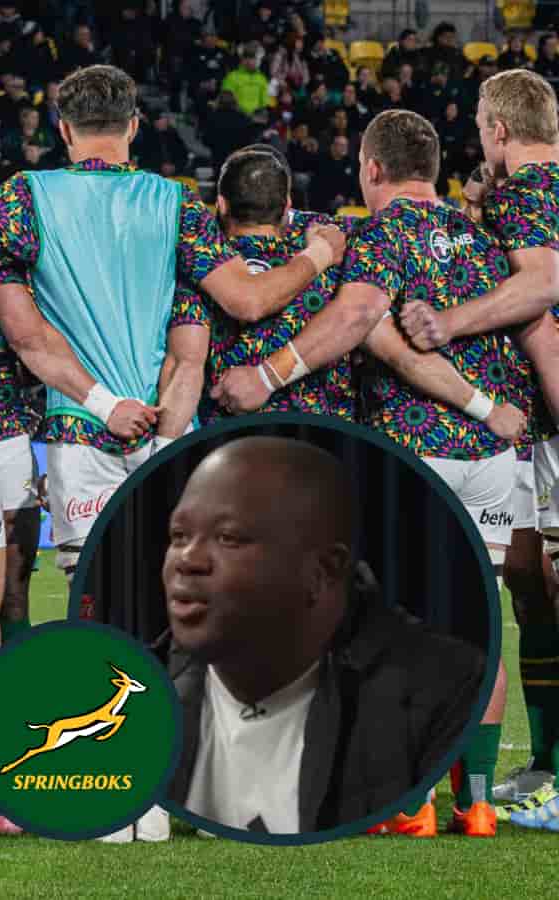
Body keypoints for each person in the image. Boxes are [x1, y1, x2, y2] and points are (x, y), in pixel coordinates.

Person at [0, 65, 344, 586]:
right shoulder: (176, 203)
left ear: (63, 129)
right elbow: (248, 301)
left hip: (81, 432)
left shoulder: (27, 197)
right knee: (168, 600)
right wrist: (320, 254)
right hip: (165, 428)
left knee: (96, 598)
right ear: (134, 126)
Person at [210, 110, 529, 838]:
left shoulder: (383, 234)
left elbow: (359, 320)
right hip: (491, 457)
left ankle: (410, 804)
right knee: (479, 625)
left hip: (418, 449)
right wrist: (489, 408)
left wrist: (267, 374)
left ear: (372, 169)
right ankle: (476, 803)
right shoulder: (481, 237)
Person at [163, 436, 484, 834]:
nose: (187, 560)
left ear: (323, 570)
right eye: (178, 536)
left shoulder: (431, 684)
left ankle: (429, 806)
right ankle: (461, 806)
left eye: (229, 537)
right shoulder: (145, 690)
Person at [394, 70, 559, 824]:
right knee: (528, 582)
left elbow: (539, 287)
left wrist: (449, 323)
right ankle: (543, 764)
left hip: (545, 418)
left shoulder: (526, 190)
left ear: (497, 129)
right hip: (531, 431)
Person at [168, 147, 353, 425]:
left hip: (226, 437)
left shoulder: (204, 271)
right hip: (316, 436)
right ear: (287, 206)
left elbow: (183, 365)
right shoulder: (333, 265)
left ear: (221, 204)